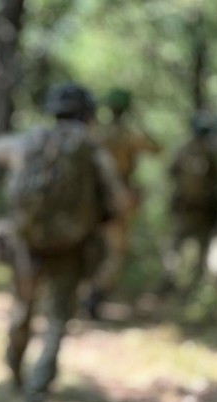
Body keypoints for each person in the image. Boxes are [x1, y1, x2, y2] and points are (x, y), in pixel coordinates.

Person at [0, 83, 127, 402]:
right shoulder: (91, 147)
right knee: (56, 324)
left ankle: (15, 371)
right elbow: (119, 201)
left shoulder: (29, 141)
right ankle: (36, 397)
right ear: (88, 113)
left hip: (27, 243)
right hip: (69, 248)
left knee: (23, 310)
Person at [85, 88, 162, 318]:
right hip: (117, 202)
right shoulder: (129, 134)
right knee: (115, 253)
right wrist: (140, 120)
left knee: (91, 250)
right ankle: (94, 296)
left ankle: (86, 295)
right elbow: (157, 149)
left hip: (92, 201)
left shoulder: (96, 132)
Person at [166, 109, 217, 291]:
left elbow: (171, 174)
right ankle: (193, 284)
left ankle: (173, 281)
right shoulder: (210, 153)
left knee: (177, 244)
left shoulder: (184, 151)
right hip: (199, 209)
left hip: (190, 208)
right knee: (197, 245)